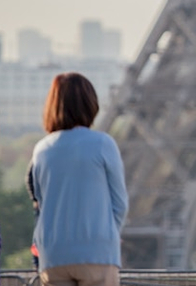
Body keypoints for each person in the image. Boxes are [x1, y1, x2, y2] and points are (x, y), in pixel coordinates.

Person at [30, 72, 128, 286]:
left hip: (53, 255)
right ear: (90, 103)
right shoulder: (103, 144)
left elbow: (41, 203)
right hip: (97, 251)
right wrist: (105, 234)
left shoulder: (41, 150)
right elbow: (119, 204)